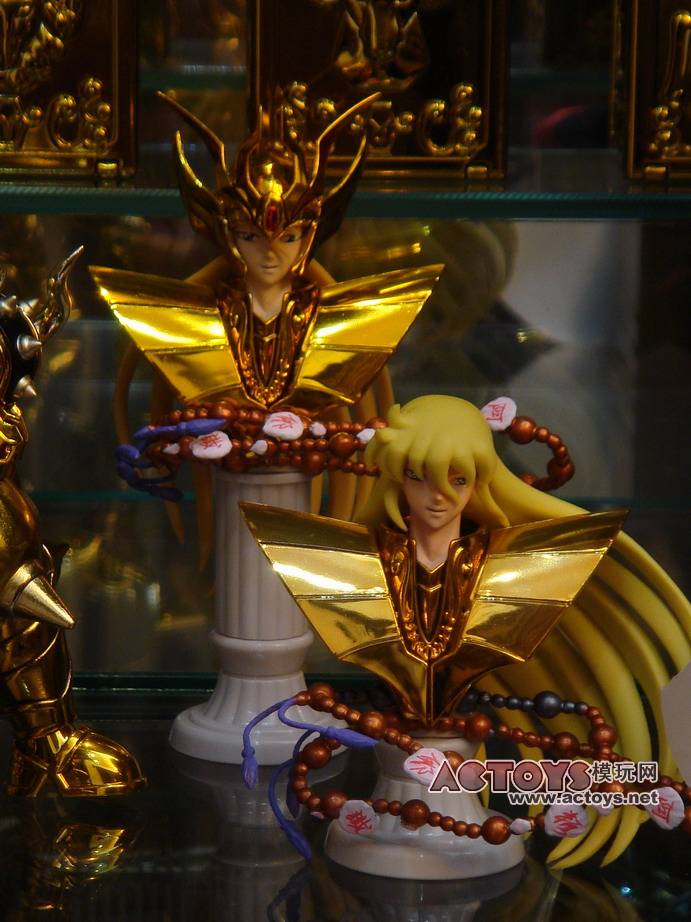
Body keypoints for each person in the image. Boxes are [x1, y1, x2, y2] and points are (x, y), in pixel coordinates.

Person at [241, 394, 691, 867]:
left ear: (479, 482)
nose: (438, 497)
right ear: (396, 478)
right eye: (419, 477)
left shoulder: (517, 569)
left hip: (449, 761)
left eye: (458, 480)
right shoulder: (350, 561)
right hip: (399, 756)